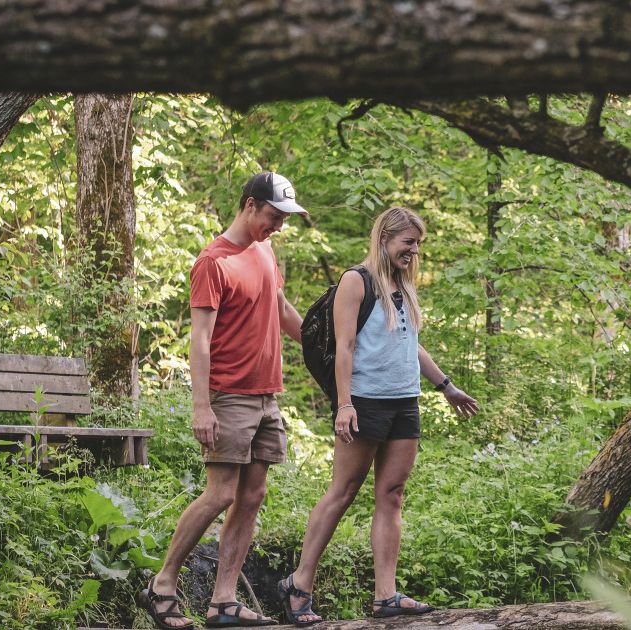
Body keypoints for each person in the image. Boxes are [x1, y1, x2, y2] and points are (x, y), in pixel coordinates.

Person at [278, 206, 478, 625]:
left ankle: (386, 595)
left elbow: (410, 345)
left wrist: (446, 386)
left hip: (404, 402)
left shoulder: (401, 285)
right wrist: (345, 404)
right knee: (343, 491)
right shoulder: (357, 281)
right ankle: (299, 583)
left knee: (392, 495)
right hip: (365, 401)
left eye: (418, 244)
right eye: (409, 242)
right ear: (385, 238)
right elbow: (346, 347)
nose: (414, 251)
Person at [137, 172, 308, 629]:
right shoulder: (213, 262)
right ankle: (163, 585)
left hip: (267, 393)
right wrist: (201, 405)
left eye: (284, 219)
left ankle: (224, 601)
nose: (278, 226)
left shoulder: (267, 251)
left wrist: (319, 349)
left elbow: (280, 306)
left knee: (253, 494)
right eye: (274, 216)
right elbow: (200, 340)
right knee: (221, 493)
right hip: (228, 394)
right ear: (251, 205)